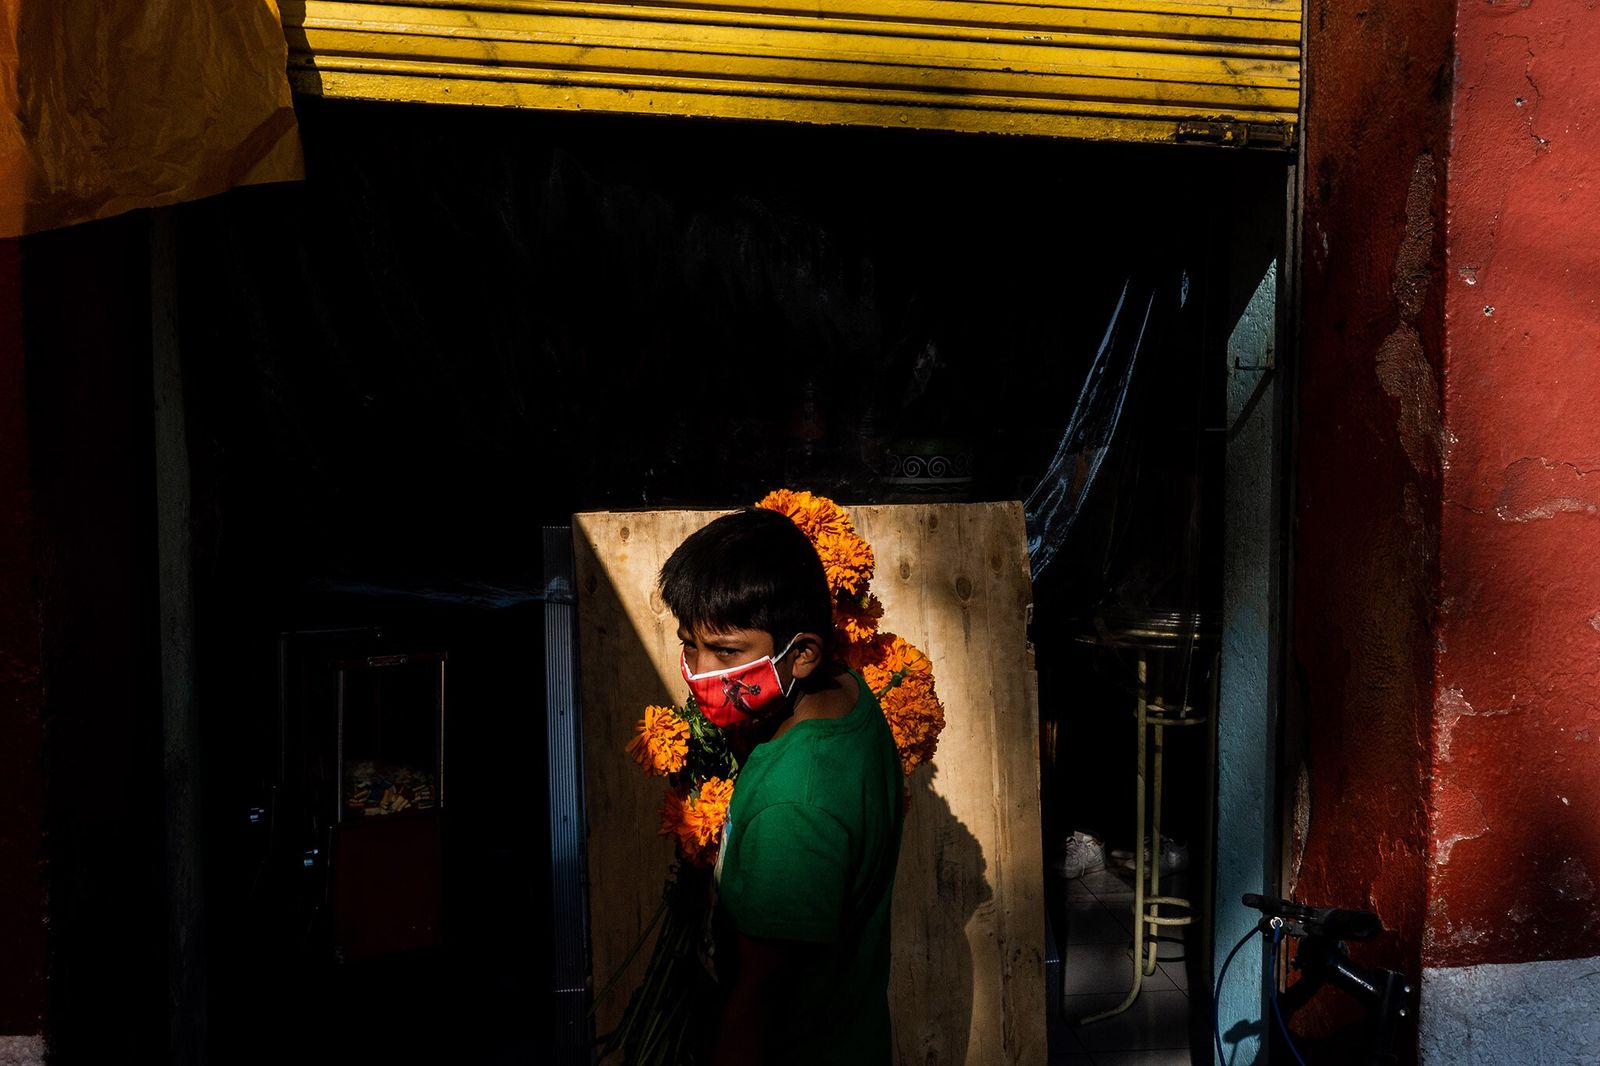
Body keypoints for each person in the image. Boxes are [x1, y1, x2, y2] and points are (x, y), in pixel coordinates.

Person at [658, 508, 904, 1066]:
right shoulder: (843, 694)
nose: (699, 672)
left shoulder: (793, 808)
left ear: (802, 654)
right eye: (689, 645)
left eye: (726, 652)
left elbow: (756, 1005)